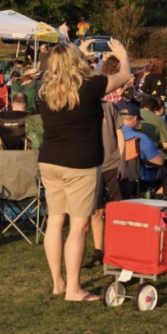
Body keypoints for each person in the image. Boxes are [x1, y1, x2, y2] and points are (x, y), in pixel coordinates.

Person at [38, 38, 130, 302]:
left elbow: (64, 69)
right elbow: (124, 76)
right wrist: (123, 56)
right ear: (75, 62)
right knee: (78, 227)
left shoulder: (45, 89)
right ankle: (74, 289)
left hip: (50, 161)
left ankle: (58, 283)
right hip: (81, 163)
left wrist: (76, 52)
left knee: (55, 222)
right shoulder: (89, 86)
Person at [85, 97, 127, 269]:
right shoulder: (82, 108)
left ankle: (123, 250)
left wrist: (122, 162)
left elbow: (119, 133)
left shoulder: (109, 107)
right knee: (96, 211)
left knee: (121, 209)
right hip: (92, 167)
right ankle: (98, 252)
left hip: (112, 163)